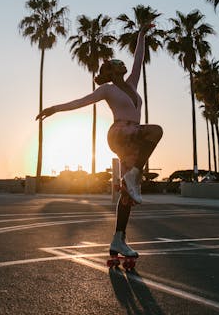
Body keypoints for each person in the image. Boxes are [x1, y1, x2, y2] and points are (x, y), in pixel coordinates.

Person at [36, 24, 163, 260]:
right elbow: (81, 101)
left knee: (127, 194)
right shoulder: (107, 89)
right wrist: (54, 109)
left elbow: (138, 60)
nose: (122, 64)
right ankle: (134, 176)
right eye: (117, 63)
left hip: (132, 138)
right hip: (120, 133)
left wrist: (142, 35)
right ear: (112, 71)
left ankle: (118, 239)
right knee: (156, 130)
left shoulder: (132, 85)